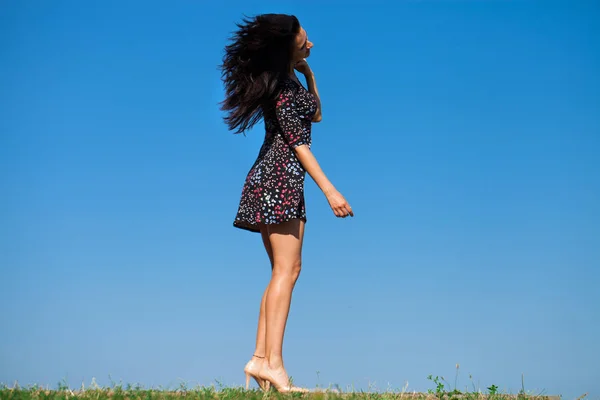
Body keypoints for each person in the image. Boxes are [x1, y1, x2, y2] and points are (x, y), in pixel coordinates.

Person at [219, 13, 354, 393]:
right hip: (279, 178)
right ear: (288, 45)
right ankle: (271, 363)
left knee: (282, 271)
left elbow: (317, 115)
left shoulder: (290, 82)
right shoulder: (282, 87)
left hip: (273, 179)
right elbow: (299, 143)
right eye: (304, 42)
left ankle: (261, 360)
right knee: (287, 271)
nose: (311, 46)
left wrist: (309, 76)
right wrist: (331, 190)